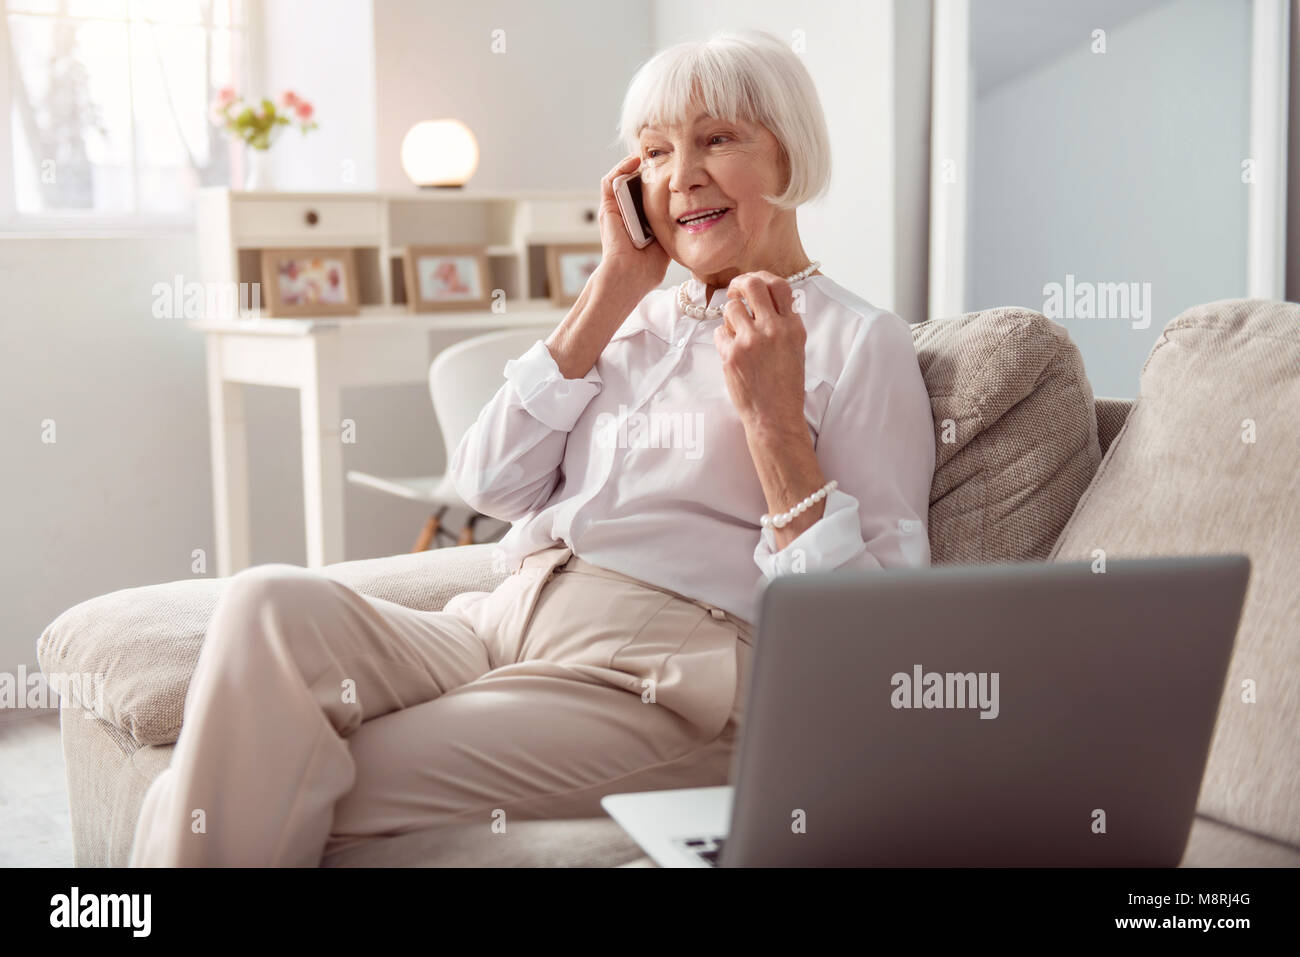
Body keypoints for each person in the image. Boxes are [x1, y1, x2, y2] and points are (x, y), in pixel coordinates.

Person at [129, 28, 935, 867]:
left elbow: (873, 643)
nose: (681, 174)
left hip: (658, 678)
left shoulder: (858, 341)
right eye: (655, 152)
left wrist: (771, 426)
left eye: (718, 138)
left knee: (233, 782)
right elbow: (487, 483)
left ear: (789, 152)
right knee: (266, 603)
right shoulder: (636, 314)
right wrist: (614, 284)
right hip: (498, 620)